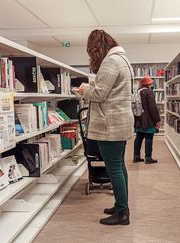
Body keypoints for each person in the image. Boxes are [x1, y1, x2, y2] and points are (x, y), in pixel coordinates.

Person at [77, 29, 134, 226]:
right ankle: (121, 205)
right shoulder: (122, 60)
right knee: (119, 166)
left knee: (114, 168)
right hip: (118, 122)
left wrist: (84, 90)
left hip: (110, 125)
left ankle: (122, 212)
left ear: (97, 48)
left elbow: (100, 94)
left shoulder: (111, 61)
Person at [133, 76, 161, 164]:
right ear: (148, 84)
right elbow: (153, 107)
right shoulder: (149, 92)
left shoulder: (137, 92)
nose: (151, 84)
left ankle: (136, 156)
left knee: (138, 138)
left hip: (138, 117)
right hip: (148, 119)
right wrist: (157, 119)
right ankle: (148, 158)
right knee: (149, 138)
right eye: (150, 83)